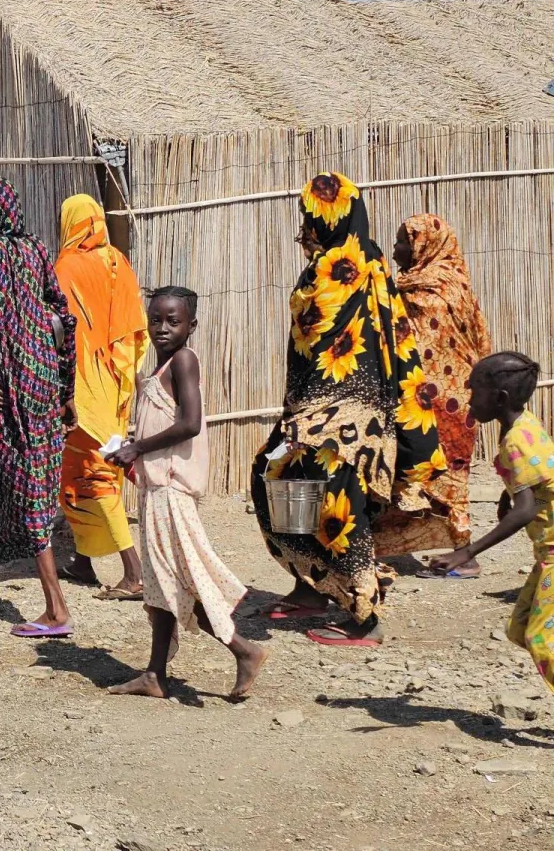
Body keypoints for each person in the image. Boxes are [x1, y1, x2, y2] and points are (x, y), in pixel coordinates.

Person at [252, 173, 445, 647]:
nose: (304, 228)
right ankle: (312, 586)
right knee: (278, 481)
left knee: (335, 503)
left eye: (309, 219)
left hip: (340, 411)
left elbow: (316, 339)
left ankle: (365, 616)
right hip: (333, 406)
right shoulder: (372, 261)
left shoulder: (336, 269)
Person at [106, 287, 267, 699]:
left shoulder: (183, 361)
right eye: (156, 319)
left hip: (173, 493)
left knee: (185, 580)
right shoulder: (159, 369)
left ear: (191, 326)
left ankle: (243, 649)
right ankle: (155, 674)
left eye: (173, 321)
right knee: (162, 582)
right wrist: (133, 456)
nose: (162, 328)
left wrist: (138, 447)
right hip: (157, 490)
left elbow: (191, 423)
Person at [0, 178, 78, 637]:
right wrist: (65, 388)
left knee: (28, 487)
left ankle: (56, 608)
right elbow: (63, 317)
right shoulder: (37, 250)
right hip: (43, 382)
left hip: (10, 391)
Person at [377, 214, 492, 577]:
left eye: (402, 243)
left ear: (423, 245)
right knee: (422, 473)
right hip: (457, 397)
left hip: (440, 403)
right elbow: (481, 340)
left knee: (446, 477)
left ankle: (465, 554)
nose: (396, 251)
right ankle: (380, 546)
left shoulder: (426, 291)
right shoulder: (458, 284)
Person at [431, 353, 553, 691]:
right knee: (521, 628)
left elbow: (526, 509)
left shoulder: (516, 439)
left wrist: (466, 552)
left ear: (499, 399)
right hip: (547, 552)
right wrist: (507, 495)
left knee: (543, 642)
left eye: (475, 392)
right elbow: (537, 476)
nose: (469, 400)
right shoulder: (523, 423)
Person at [54, 193, 148, 599]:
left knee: (91, 472)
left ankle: (133, 571)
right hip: (112, 382)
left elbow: (60, 331)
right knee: (85, 473)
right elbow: (134, 329)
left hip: (81, 387)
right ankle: (83, 559)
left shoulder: (65, 268)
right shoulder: (118, 262)